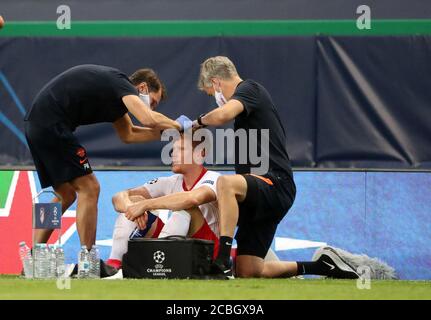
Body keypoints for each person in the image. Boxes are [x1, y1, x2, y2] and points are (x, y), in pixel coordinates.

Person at [192, 56, 358, 279]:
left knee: (225, 184)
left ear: (216, 82)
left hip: (275, 182)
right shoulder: (246, 107)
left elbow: (221, 115)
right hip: (259, 196)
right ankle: (321, 267)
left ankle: (221, 260)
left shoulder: (250, 89)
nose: (216, 99)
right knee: (248, 270)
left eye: (211, 94)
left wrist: (196, 123)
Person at [24, 64, 191, 250]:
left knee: (65, 194)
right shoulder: (122, 84)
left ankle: (34, 253)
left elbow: (129, 134)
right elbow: (148, 119)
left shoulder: (116, 98)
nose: (151, 107)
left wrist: (170, 133)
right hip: (52, 124)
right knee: (90, 188)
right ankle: (88, 260)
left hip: (35, 125)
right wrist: (179, 126)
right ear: (142, 88)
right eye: (152, 102)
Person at [108, 135, 221, 269]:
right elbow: (118, 197)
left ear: (200, 153)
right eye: (173, 150)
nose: (173, 154)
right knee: (134, 201)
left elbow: (192, 198)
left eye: (181, 149)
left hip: (207, 253)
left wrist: (145, 205)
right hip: (179, 247)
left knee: (186, 208)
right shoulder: (170, 181)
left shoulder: (215, 178)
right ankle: (114, 266)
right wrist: (132, 207)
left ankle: (160, 265)